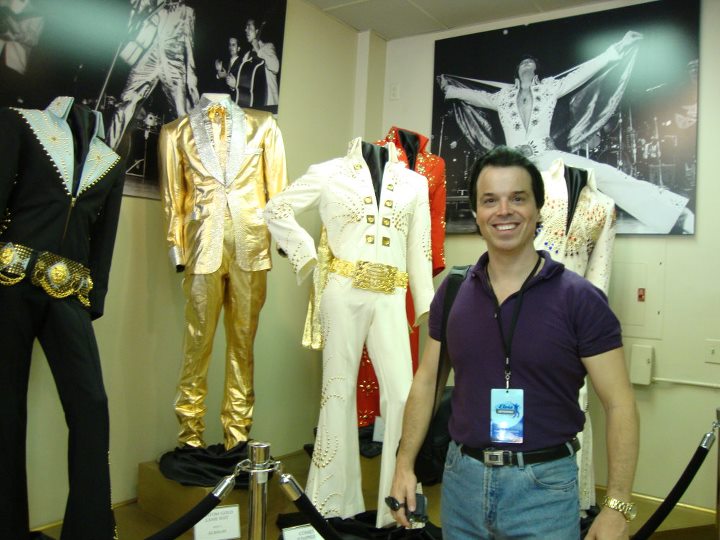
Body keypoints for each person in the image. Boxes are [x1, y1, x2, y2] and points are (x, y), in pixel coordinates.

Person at [389, 146, 639, 539]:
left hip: (543, 490)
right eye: (490, 200)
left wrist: (617, 505)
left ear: (539, 209)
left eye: (518, 198)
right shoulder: (453, 292)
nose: (503, 211)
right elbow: (426, 383)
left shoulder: (579, 299)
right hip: (462, 484)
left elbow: (619, 403)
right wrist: (404, 464)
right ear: (476, 213)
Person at [0, 96, 125, 539]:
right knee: (5, 407)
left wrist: (95, 298)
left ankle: (89, 531)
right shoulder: (22, 124)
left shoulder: (110, 160)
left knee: (91, 406)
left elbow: (105, 237)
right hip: (10, 280)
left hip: (69, 289)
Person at [438, 31, 691, 234]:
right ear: (516, 70)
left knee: (602, 173)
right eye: (523, 61)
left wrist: (616, 49)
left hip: (546, 155)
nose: (527, 62)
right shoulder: (502, 97)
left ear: (536, 69)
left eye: (531, 61)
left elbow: (582, 73)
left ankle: (673, 213)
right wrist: (448, 87)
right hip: (513, 162)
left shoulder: (550, 88)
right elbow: (475, 95)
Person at [158, 93, 287, 451]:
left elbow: (278, 189)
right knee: (196, 344)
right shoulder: (175, 131)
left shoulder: (264, 124)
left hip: (252, 246)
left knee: (243, 346)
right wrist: (175, 248)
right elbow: (172, 197)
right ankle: (189, 437)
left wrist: (284, 237)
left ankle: (238, 436)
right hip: (202, 248)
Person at [107, 0, 199, 149]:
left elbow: (189, 45)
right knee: (124, 104)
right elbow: (132, 24)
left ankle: (189, 160)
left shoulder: (186, 11)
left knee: (182, 115)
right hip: (148, 59)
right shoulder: (150, 4)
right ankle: (102, 156)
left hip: (174, 65)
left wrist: (191, 80)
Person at [239, 17, 279, 107]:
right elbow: (243, 83)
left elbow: (275, 67)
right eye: (246, 28)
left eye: (249, 27)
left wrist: (258, 50)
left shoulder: (268, 47)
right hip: (253, 105)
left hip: (268, 105)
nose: (245, 30)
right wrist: (234, 85)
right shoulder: (247, 56)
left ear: (257, 31)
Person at [214, 37, 242, 102]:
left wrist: (225, 76)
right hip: (223, 99)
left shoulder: (242, 63)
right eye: (230, 45)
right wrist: (218, 74)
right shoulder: (224, 63)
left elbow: (242, 85)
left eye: (233, 45)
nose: (231, 47)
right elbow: (218, 86)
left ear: (238, 48)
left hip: (237, 100)